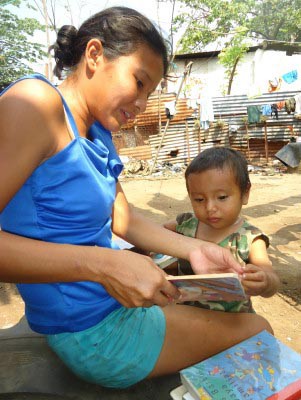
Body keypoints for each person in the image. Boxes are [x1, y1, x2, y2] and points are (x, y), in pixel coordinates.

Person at [0, 6, 272, 389]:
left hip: (113, 307)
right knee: (257, 330)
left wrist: (192, 249)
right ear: (94, 55)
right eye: (139, 82)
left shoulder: (99, 133)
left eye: (152, 91)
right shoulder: (35, 103)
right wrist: (104, 265)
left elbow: (124, 220)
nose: (143, 104)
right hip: (91, 330)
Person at [164, 147, 280, 312]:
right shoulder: (185, 223)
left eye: (222, 197)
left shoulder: (250, 237)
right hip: (188, 318)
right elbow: (157, 235)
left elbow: (272, 279)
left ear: (245, 193)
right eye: (199, 199)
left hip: (233, 323)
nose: (210, 207)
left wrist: (265, 282)